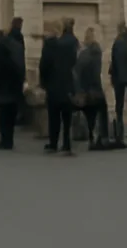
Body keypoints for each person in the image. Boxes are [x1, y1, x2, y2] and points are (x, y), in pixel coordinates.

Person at [39, 19, 77, 155]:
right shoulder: (71, 44)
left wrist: (43, 83)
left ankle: (53, 143)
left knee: (54, 115)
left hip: (53, 84)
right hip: (67, 83)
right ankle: (66, 144)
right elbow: (74, 63)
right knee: (67, 116)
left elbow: (43, 66)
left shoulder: (49, 45)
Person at [73, 28, 108, 150]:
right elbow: (96, 74)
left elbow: (77, 73)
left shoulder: (83, 55)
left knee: (90, 115)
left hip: (86, 89)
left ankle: (92, 137)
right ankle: (101, 137)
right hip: (96, 89)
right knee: (100, 111)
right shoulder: (97, 53)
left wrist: (79, 90)